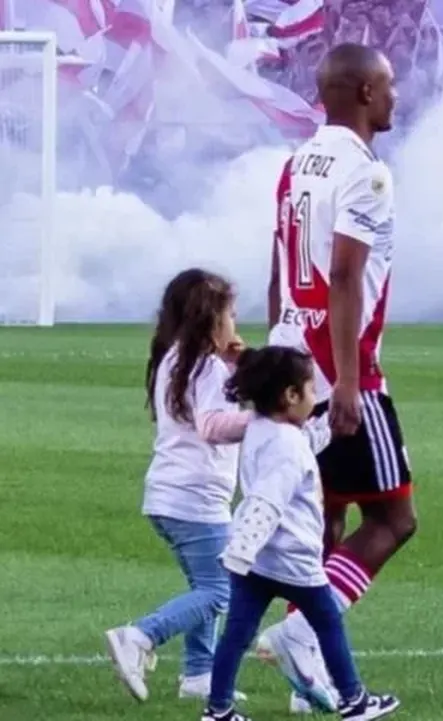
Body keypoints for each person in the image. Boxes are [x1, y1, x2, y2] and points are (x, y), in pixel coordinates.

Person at [256, 42, 417, 714]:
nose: (395, 94)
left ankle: (313, 677)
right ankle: (300, 631)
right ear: (359, 93)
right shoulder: (367, 173)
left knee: (322, 516)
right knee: (393, 517)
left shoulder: (297, 164)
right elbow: (346, 275)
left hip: (292, 358)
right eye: (386, 84)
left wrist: (273, 357)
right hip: (340, 365)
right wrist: (348, 382)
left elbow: (277, 266)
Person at [201, 346, 400, 721]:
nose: (315, 398)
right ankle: (353, 700)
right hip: (293, 560)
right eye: (310, 390)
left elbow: (300, 447)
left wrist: (328, 429)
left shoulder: (261, 427)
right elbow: (268, 501)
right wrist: (240, 549)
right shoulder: (287, 444)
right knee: (328, 624)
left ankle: (218, 709)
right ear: (290, 395)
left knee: (237, 634)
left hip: (258, 565)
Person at [105, 268, 252, 703]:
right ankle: (140, 636)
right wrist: (262, 420)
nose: (235, 326)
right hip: (195, 498)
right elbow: (211, 425)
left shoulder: (175, 358)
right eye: (231, 317)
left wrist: (237, 365)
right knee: (218, 590)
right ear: (212, 320)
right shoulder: (206, 368)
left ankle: (199, 675)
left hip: (168, 495)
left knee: (205, 582)